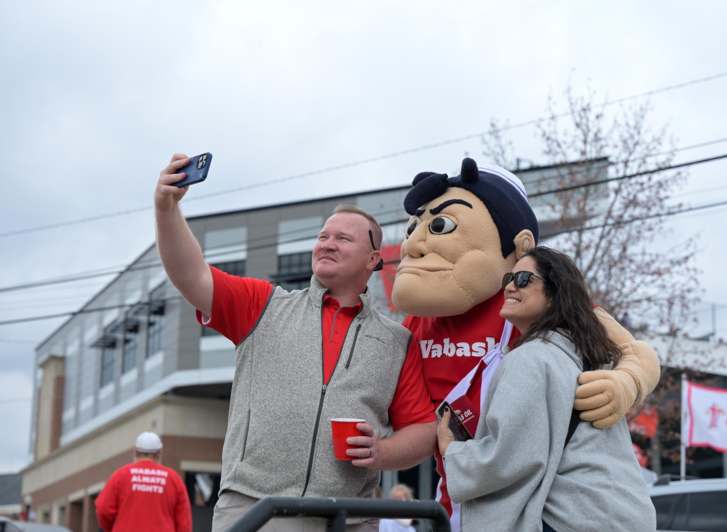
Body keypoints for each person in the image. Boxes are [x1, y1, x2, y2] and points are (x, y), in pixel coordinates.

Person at [154, 154, 436, 531]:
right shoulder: (264, 305)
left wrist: (382, 452)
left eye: (342, 238)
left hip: (348, 518)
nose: (327, 244)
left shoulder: (396, 341)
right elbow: (190, 275)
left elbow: (422, 430)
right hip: (257, 510)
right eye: (323, 236)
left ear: (372, 260)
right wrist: (166, 206)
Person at [391, 158, 661, 528]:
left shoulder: (536, 309)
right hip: (456, 501)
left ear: (519, 247)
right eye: (413, 228)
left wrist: (626, 381)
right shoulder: (418, 323)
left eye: (441, 225)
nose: (414, 246)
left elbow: (636, 352)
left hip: (534, 507)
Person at [436, 247, 657, 532]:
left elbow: (509, 458)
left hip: (573, 518)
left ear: (555, 295)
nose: (511, 287)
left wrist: (452, 450)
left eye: (525, 279)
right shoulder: (587, 356)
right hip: (622, 515)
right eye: (508, 279)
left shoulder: (531, 358)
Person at [95, 431, 192, 532]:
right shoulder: (173, 479)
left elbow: (103, 509)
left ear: (136, 452)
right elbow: (184, 522)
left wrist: (111, 528)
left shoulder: (120, 476)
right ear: (159, 454)